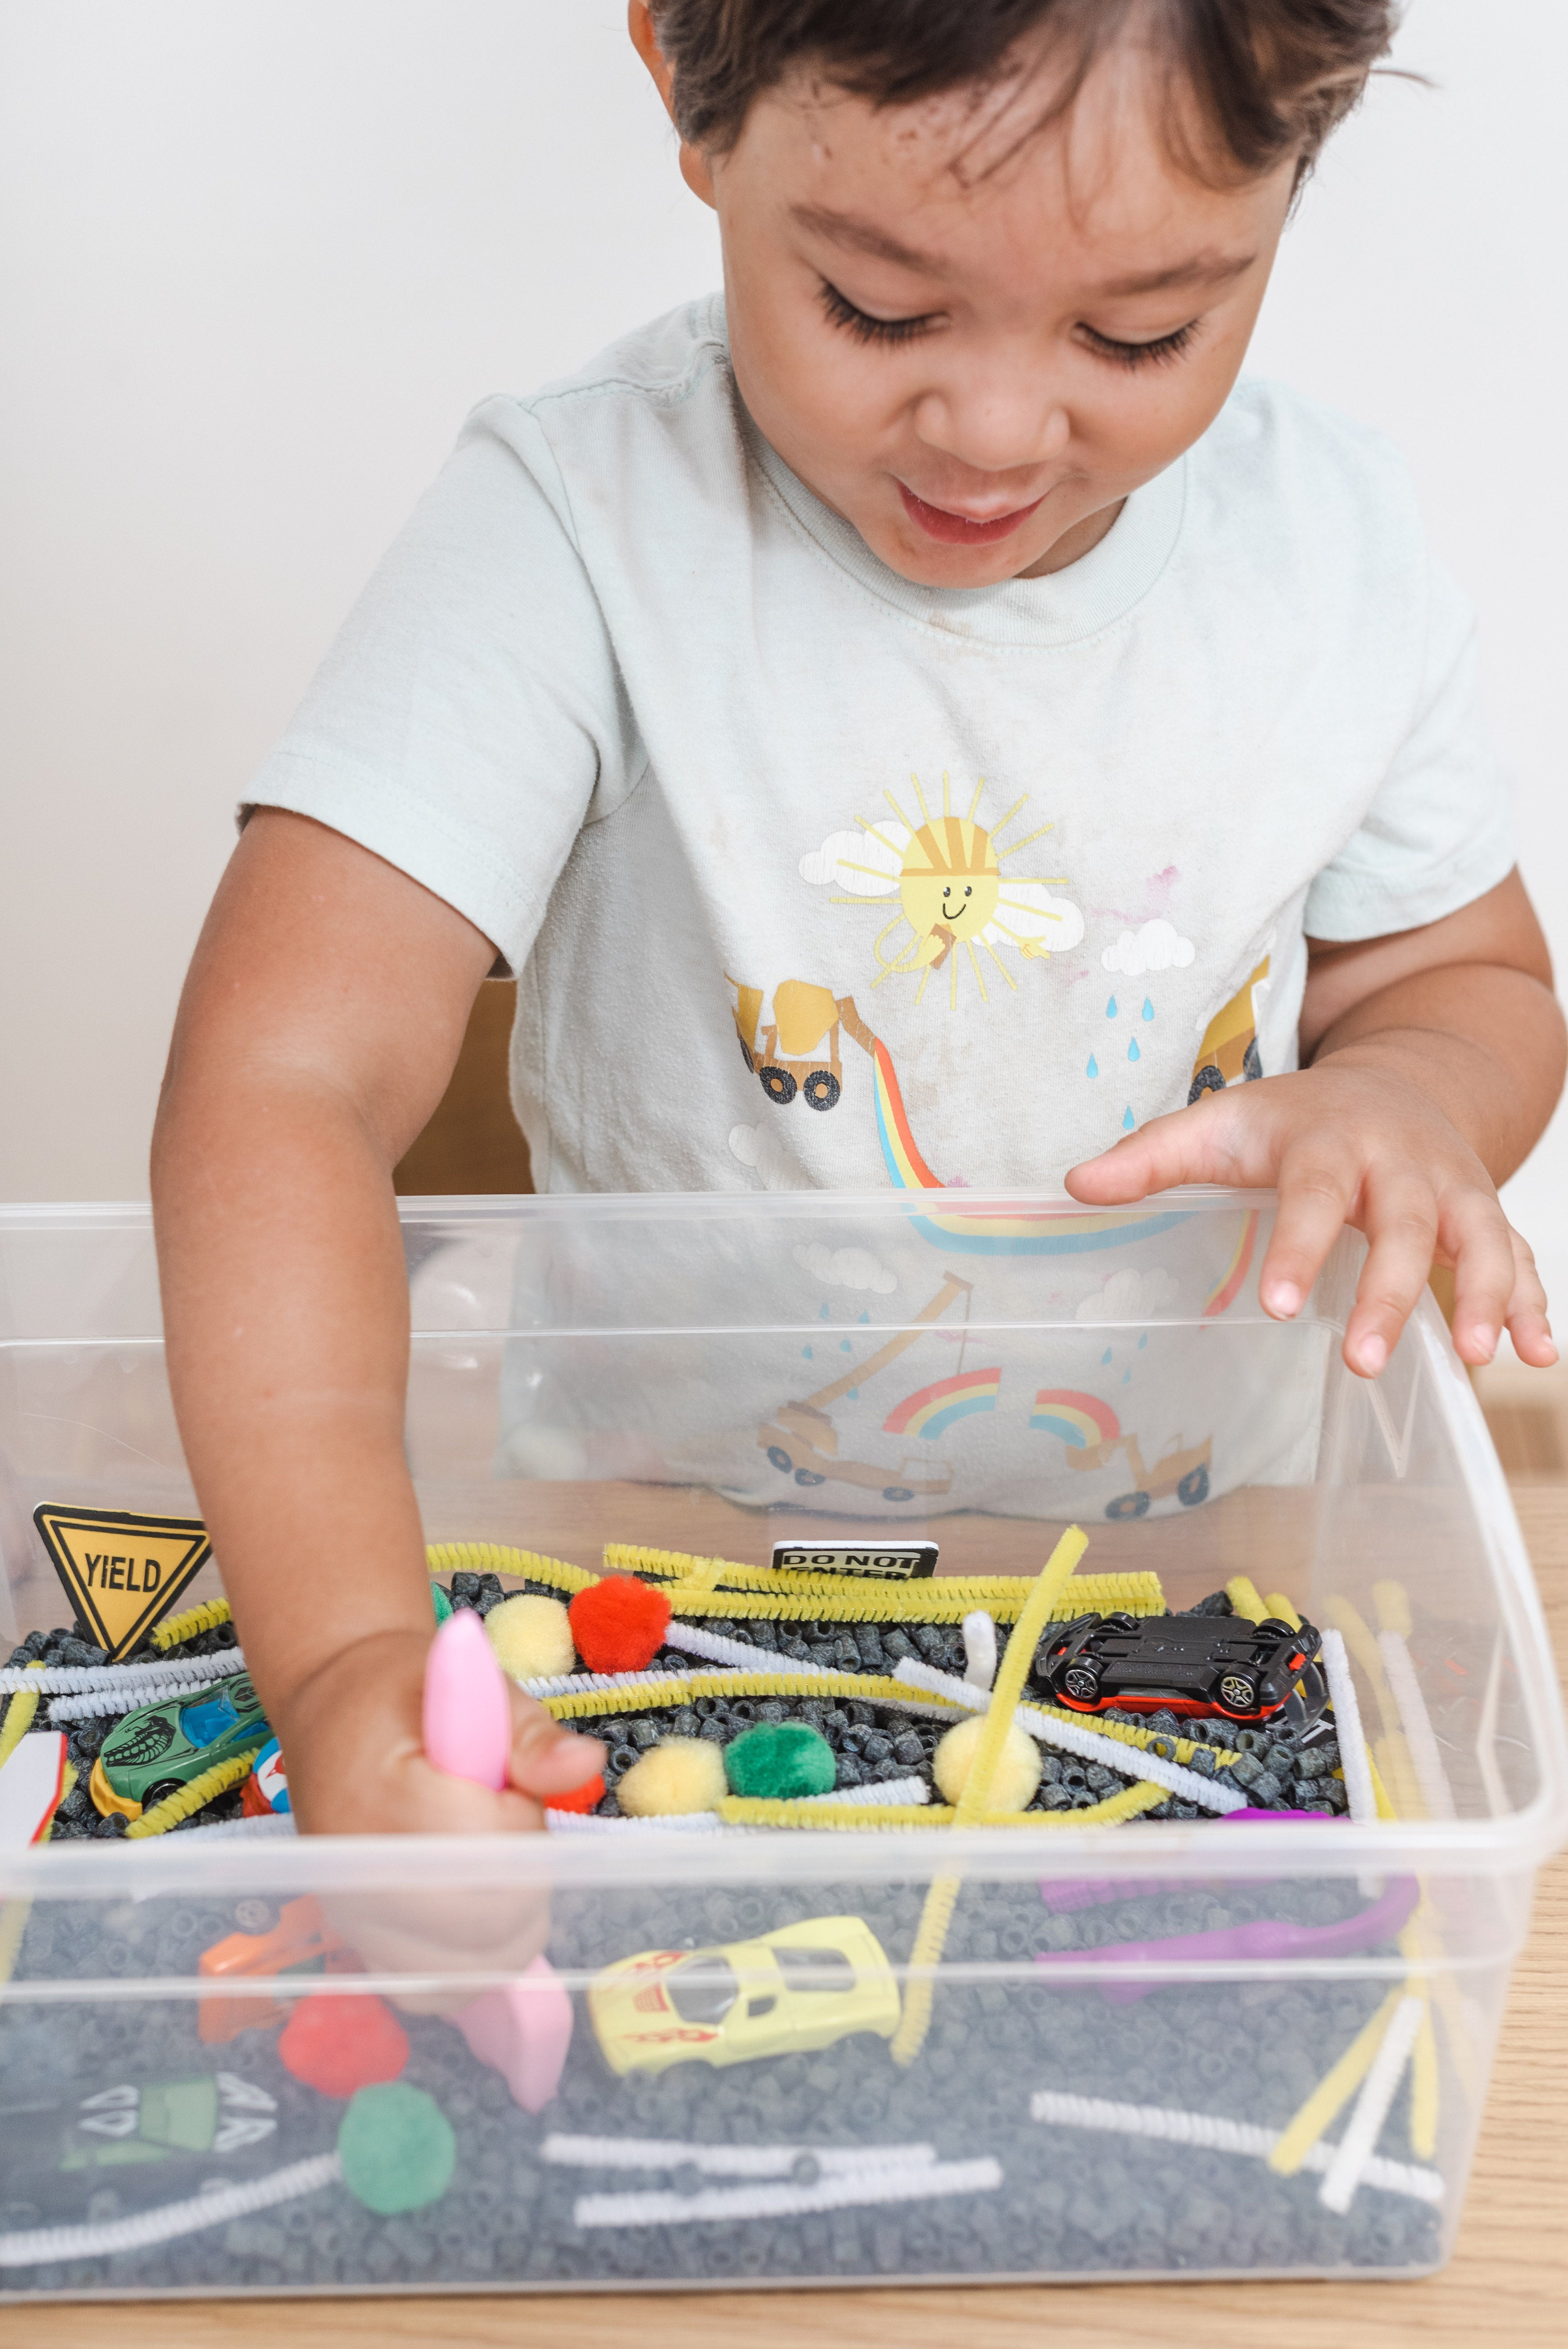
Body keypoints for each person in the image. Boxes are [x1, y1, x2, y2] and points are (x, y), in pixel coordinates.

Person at [151, 0, 1566, 1840]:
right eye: (876, 309)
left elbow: (1462, 982)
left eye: (1137, 331)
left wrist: (1407, 1102)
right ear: (687, 85)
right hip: (646, 1583)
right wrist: (350, 1672)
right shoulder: (577, 528)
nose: (988, 428)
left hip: (1176, 1593)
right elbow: (283, 1071)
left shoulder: (1337, 563)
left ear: (1301, 159)